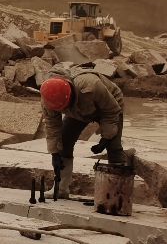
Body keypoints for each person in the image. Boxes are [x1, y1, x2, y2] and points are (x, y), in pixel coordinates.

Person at [39, 62, 125, 199]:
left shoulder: (91, 85)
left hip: (110, 104)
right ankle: (61, 189)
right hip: (78, 110)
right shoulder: (49, 98)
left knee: (114, 147)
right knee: (64, 143)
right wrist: (55, 153)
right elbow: (52, 126)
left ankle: (117, 196)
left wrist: (106, 137)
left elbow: (111, 111)